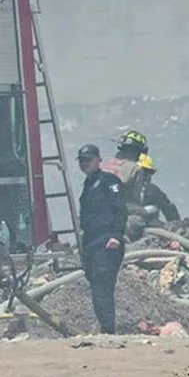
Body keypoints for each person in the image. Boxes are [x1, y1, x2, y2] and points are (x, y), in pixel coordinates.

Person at [77, 143, 128, 335]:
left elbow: (120, 210)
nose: (85, 164)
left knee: (102, 284)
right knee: (95, 283)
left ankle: (108, 330)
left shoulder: (109, 181)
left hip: (107, 241)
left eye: (89, 160)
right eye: (82, 161)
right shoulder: (89, 184)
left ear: (98, 160)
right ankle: (105, 326)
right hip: (91, 242)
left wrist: (116, 235)